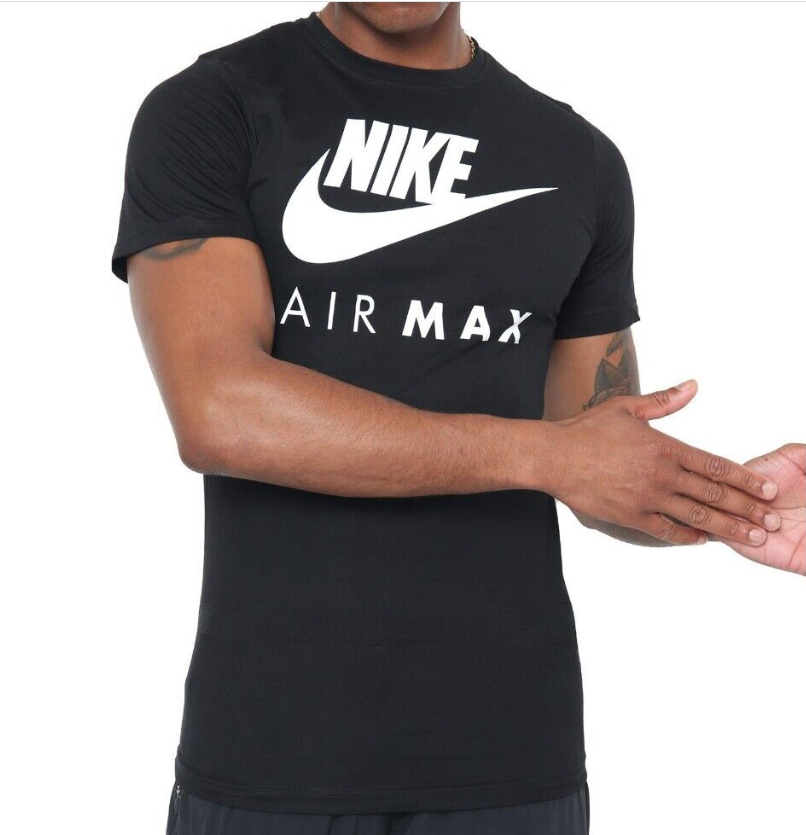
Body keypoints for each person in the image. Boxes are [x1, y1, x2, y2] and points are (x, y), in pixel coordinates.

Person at [111, 4, 805, 833]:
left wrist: (739, 503)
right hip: (274, 759)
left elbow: (598, 461)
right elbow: (219, 409)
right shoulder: (216, 106)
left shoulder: (576, 158)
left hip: (512, 764)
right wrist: (545, 456)